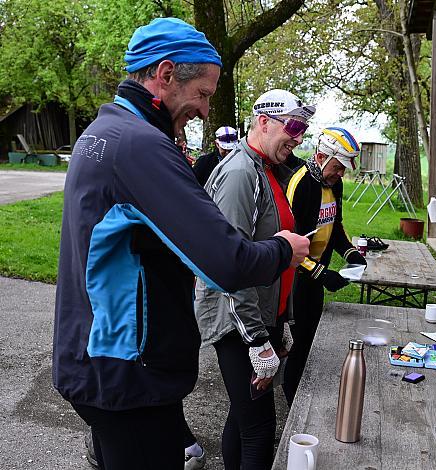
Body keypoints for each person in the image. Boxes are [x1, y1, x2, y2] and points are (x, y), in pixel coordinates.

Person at [53, 19, 309, 470]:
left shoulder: (106, 132)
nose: (208, 111)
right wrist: (285, 249)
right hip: (127, 369)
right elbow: (226, 261)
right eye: (205, 95)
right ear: (166, 74)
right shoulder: (138, 146)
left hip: (103, 358)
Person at [194, 88, 315, 470]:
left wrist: (282, 321)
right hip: (238, 323)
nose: (298, 137)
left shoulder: (266, 169)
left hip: (261, 317)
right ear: (263, 121)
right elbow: (231, 266)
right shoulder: (240, 174)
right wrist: (258, 340)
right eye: (293, 126)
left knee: (243, 418)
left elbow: (280, 251)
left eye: (303, 129)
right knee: (259, 429)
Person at [281, 126, 367, 406]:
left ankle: (300, 399)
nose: (341, 174)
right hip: (296, 278)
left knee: (309, 341)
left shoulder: (334, 184)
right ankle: (292, 403)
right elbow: (289, 244)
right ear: (320, 156)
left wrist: (350, 253)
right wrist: (321, 273)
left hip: (315, 277)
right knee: (297, 344)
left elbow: (334, 225)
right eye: (338, 167)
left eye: (344, 169)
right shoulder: (302, 184)